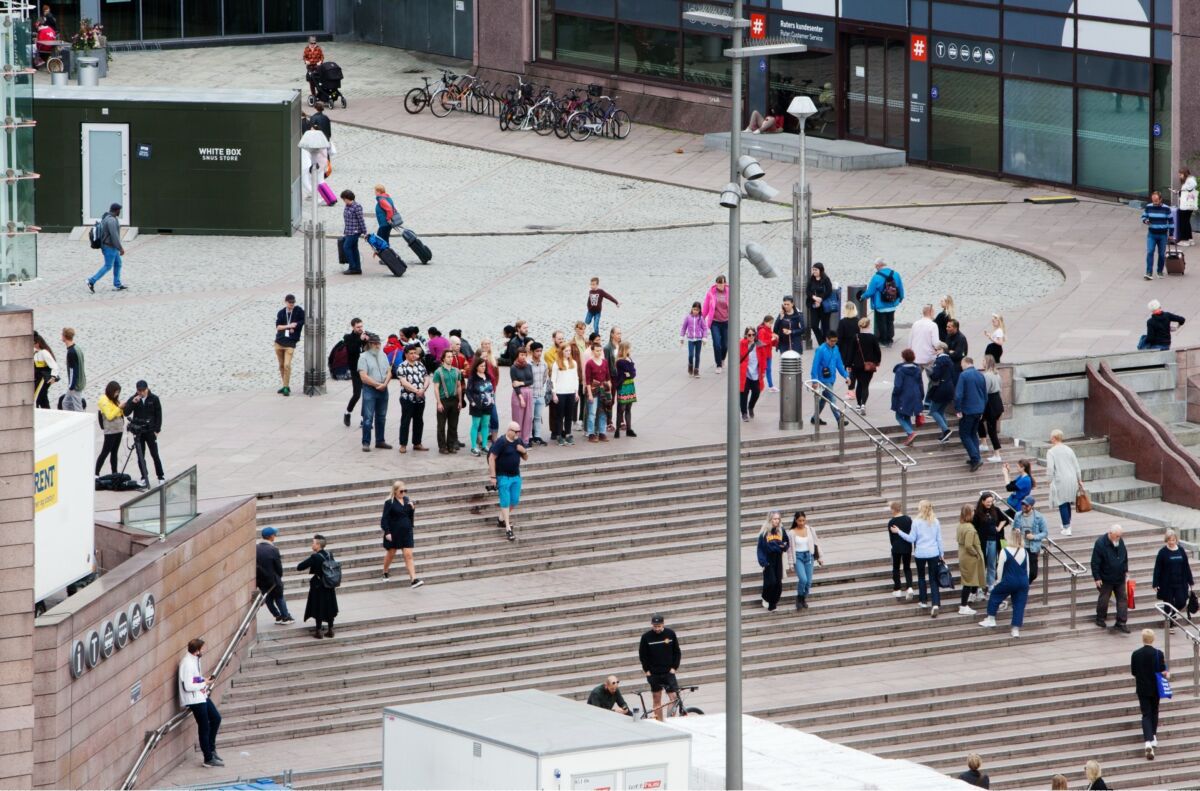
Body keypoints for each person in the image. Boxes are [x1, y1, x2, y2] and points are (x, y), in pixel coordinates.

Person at [892, 500, 943, 616]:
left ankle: (923, 601)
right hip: (933, 552)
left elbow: (911, 539)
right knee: (933, 579)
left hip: (920, 553)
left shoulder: (916, 522)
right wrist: (942, 554)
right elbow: (939, 539)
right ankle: (935, 603)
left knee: (921, 577)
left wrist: (899, 531)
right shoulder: (935, 521)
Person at [979, 528, 1031, 637]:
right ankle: (1015, 629)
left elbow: (1000, 569)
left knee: (995, 595)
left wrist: (998, 581)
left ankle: (991, 618)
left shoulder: (1005, 550)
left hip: (1009, 580)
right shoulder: (1025, 551)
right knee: (1019, 605)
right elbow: (1028, 569)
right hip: (1023, 581)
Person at [179, 638, 222, 768]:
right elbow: (187, 686)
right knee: (204, 728)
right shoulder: (187, 663)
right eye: (202, 648)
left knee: (216, 718)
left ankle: (212, 750)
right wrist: (204, 683)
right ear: (196, 651)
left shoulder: (194, 660)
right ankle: (208, 758)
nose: (203, 650)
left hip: (201, 696)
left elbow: (193, 678)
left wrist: (203, 679)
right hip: (194, 699)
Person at [1131, 628, 1168, 759]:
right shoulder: (1159, 653)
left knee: (1146, 714)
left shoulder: (1135, 654)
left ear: (1143, 639)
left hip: (1142, 689)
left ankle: (1148, 741)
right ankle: (1152, 737)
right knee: (1154, 711)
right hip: (1155, 688)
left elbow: (1134, 672)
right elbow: (1163, 671)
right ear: (1153, 639)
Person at [638, 613, 681, 722]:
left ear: (663, 624)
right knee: (657, 699)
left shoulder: (670, 634)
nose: (656, 628)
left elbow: (677, 652)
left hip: (668, 672)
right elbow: (643, 655)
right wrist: (647, 671)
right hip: (654, 673)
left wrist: (674, 668)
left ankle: (670, 720)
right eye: (655, 626)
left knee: (673, 698)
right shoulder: (646, 637)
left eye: (659, 626)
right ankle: (660, 722)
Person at [489, 421, 528, 540]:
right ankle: (508, 528)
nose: (518, 434)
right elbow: (491, 458)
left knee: (514, 500)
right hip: (503, 476)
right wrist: (493, 477)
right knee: (505, 501)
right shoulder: (501, 442)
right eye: (516, 432)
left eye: (519, 431)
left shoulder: (518, 441)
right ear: (509, 430)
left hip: (516, 476)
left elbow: (525, 458)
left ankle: (501, 519)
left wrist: (524, 451)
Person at [380, 480, 423, 587]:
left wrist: (412, 509)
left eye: (405, 491)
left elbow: (409, 516)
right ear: (395, 491)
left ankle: (413, 579)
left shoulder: (407, 500)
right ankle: (385, 571)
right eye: (401, 491)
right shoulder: (389, 503)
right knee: (391, 554)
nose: (403, 493)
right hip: (394, 533)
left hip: (406, 532)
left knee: (408, 555)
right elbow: (384, 520)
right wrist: (387, 532)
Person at [123, 380, 164, 488]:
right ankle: (144, 477)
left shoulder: (154, 399)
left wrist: (157, 430)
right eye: (139, 391)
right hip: (139, 432)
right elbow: (126, 412)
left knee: (155, 454)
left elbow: (158, 415)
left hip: (150, 431)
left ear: (147, 389)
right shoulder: (134, 398)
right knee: (140, 456)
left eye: (143, 391)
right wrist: (133, 402)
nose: (141, 393)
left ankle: (161, 476)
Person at [298, 534, 338, 638]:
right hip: (329, 584)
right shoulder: (330, 554)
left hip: (318, 585)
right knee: (329, 605)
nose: (312, 545)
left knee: (318, 606)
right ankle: (330, 629)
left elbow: (300, 567)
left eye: (313, 543)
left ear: (318, 545)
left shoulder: (315, 557)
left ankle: (319, 631)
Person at [1092, 525, 1130, 633]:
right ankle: (1100, 618)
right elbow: (1095, 562)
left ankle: (1121, 622)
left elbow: (1124, 556)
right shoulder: (1100, 543)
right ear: (1110, 533)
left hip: (1119, 577)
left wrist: (1126, 570)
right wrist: (1097, 577)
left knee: (1122, 599)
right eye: (1117, 536)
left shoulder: (1120, 541)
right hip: (1106, 577)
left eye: (1120, 536)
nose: (1118, 538)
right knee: (1104, 599)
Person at [358, 333, 392, 451]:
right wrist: (377, 385)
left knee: (381, 416)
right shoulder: (363, 357)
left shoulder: (383, 355)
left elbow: (389, 371)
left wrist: (385, 383)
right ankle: (366, 442)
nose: (378, 346)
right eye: (376, 344)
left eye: (379, 343)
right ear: (371, 344)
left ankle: (380, 440)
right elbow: (363, 376)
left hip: (383, 388)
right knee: (368, 417)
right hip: (370, 389)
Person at [1152, 528, 1194, 626]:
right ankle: (1169, 624)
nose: (1171, 542)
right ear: (1166, 540)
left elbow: (1186, 566)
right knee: (1168, 603)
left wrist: (1190, 581)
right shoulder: (1162, 552)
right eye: (1169, 540)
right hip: (1167, 583)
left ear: (1176, 540)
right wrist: (1155, 583)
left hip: (1180, 582)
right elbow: (1157, 568)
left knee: (1182, 601)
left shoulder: (1181, 550)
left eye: (1173, 540)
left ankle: (1172, 615)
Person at [1045, 430, 1083, 536]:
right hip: (1072, 479)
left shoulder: (1051, 452)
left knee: (1062, 502)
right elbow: (1077, 466)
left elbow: (1050, 468)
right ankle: (1066, 523)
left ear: (1054, 438)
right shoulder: (1069, 450)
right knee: (1067, 502)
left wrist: (1048, 479)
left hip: (1060, 479)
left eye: (1051, 437)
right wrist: (1079, 480)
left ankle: (1067, 527)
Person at [395, 343, 431, 453]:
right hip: (408, 397)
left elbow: (426, 377)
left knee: (419, 420)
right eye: (411, 353)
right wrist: (416, 390)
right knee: (405, 420)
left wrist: (423, 389)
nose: (413, 355)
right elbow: (404, 382)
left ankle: (417, 442)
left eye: (415, 353)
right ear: (406, 354)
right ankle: (403, 444)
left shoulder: (420, 365)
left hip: (420, 397)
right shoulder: (402, 366)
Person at [861, 257, 904, 347]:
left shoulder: (876, 277)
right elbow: (900, 287)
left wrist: (862, 296)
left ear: (879, 265)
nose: (875, 267)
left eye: (876, 266)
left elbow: (870, 291)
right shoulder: (896, 274)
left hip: (881, 305)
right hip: (892, 303)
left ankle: (884, 341)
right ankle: (890, 339)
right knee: (890, 321)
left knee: (882, 322)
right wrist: (900, 298)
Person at [973, 492, 1011, 592]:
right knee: (982, 564)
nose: (990, 503)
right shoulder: (977, 513)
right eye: (987, 502)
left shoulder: (996, 510)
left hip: (994, 541)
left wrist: (999, 528)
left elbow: (1005, 519)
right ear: (982, 501)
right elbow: (974, 527)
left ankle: (991, 584)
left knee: (992, 564)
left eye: (991, 501)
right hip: (982, 541)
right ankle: (980, 586)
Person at [86, 203, 127, 293]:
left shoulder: (107, 217)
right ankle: (91, 281)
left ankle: (117, 284)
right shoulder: (111, 220)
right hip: (109, 247)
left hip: (112, 247)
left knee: (118, 264)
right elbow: (114, 236)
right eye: (119, 210)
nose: (120, 212)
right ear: (116, 210)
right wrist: (120, 248)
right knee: (108, 266)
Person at [256, 527, 293, 624]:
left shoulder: (256, 548)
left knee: (268, 598)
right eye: (274, 534)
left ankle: (277, 615)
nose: (275, 536)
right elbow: (278, 567)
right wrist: (279, 577)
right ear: (271, 536)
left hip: (261, 579)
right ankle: (286, 617)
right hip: (274, 579)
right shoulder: (273, 549)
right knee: (279, 597)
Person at [955, 357, 987, 472]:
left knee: (964, 434)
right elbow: (985, 395)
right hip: (978, 410)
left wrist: (958, 409)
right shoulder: (980, 375)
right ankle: (976, 458)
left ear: (965, 363)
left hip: (967, 410)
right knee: (973, 434)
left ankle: (975, 458)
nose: (961, 366)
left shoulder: (964, 375)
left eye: (961, 364)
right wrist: (982, 409)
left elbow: (958, 395)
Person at [810, 331, 847, 425]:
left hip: (832, 378)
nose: (833, 343)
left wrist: (846, 375)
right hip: (823, 379)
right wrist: (814, 380)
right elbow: (815, 365)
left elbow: (839, 363)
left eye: (835, 341)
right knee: (832, 399)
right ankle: (839, 419)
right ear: (827, 339)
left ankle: (815, 418)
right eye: (831, 341)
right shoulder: (820, 350)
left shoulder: (836, 349)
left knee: (823, 399)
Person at [788, 510, 822, 610]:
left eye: (803, 520)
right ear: (795, 520)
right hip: (798, 557)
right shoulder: (791, 533)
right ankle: (799, 597)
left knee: (809, 582)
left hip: (809, 556)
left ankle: (803, 598)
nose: (801, 523)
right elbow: (789, 550)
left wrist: (820, 558)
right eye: (799, 521)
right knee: (803, 579)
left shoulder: (810, 529)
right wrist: (790, 563)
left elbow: (816, 543)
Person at [757, 511, 789, 611]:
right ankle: (766, 597)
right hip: (768, 559)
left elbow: (786, 542)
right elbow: (761, 548)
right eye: (775, 519)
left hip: (778, 559)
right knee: (771, 582)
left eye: (778, 519)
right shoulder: (765, 532)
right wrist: (763, 562)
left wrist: (784, 546)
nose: (777, 521)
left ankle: (773, 602)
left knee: (778, 583)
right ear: (770, 519)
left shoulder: (781, 530)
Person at [891, 348, 924, 446]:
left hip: (904, 396)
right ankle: (910, 439)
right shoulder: (917, 369)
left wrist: (895, 396)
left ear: (903, 358)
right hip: (915, 395)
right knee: (907, 416)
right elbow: (920, 384)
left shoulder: (900, 370)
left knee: (899, 416)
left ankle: (910, 433)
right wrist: (921, 396)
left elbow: (898, 386)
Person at [432, 349, 462, 454]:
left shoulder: (456, 371)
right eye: (448, 356)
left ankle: (451, 445)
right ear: (443, 358)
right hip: (443, 400)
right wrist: (439, 403)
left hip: (454, 400)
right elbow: (436, 388)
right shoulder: (438, 372)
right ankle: (442, 446)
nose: (450, 358)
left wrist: (460, 401)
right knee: (441, 425)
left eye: (451, 356)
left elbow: (459, 386)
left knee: (453, 425)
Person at [274, 294, 304, 397]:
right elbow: (278, 327)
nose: (292, 304)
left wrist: (296, 325)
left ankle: (286, 387)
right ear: (286, 302)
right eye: (290, 303)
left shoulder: (298, 310)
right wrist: (288, 326)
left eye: (293, 302)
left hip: (290, 343)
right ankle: (285, 385)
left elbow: (303, 320)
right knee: (281, 366)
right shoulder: (281, 313)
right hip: (279, 342)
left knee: (287, 365)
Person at [956, 504, 985, 615]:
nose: (974, 513)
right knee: (968, 582)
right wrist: (976, 554)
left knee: (968, 581)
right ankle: (963, 606)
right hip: (969, 558)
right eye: (972, 512)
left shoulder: (961, 525)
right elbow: (969, 545)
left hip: (963, 556)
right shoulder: (969, 528)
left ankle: (966, 602)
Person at [1013, 495, 1047, 585]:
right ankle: (1022, 588)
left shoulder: (1039, 517)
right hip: (1021, 546)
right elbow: (1013, 529)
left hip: (1033, 547)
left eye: (1026, 505)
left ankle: (1024, 586)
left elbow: (1045, 533)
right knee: (1021, 570)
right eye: (1022, 504)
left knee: (1033, 573)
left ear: (1031, 506)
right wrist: (1016, 531)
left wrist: (1034, 537)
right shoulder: (1018, 515)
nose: (1024, 506)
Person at [849, 317, 880, 413]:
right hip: (868, 365)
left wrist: (849, 364)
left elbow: (851, 352)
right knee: (865, 385)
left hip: (856, 365)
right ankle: (863, 404)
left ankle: (858, 405)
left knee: (859, 385)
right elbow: (877, 352)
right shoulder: (873, 337)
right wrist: (877, 362)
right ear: (869, 325)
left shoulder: (856, 337)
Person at [926, 342, 956, 442]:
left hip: (941, 389)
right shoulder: (950, 360)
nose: (936, 351)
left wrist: (930, 372)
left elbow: (935, 376)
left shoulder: (939, 361)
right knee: (941, 411)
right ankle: (945, 435)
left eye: (937, 349)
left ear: (942, 349)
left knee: (933, 411)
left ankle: (946, 430)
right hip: (950, 388)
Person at [550, 343, 578, 446]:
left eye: (569, 351)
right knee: (559, 415)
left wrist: (576, 392)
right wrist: (554, 394)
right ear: (561, 352)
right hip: (560, 393)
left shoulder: (573, 363)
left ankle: (568, 433)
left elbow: (576, 378)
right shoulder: (556, 364)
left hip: (570, 392)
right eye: (566, 351)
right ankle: (559, 435)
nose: (568, 353)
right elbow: (553, 380)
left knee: (569, 415)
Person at [466, 359, 496, 456]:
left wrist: (492, 399)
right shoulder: (473, 378)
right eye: (481, 366)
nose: (483, 368)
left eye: (484, 366)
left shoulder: (487, 376)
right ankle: (474, 447)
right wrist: (472, 402)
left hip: (488, 405)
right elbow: (468, 391)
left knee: (485, 424)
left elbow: (492, 388)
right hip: (477, 405)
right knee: (475, 425)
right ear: (476, 367)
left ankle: (484, 445)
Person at [1142, 190, 1174, 280]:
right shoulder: (1149, 207)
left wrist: (1171, 234)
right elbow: (1144, 216)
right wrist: (1146, 221)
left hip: (1162, 235)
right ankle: (1149, 272)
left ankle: (1160, 271)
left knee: (1161, 254)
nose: (1154, 202)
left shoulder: (1166, 208)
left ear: (1160, 199)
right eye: (1153, 200)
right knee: (1150, 252)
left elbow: (1171, 221)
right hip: (1152, 234)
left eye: (1156, 201)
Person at [341, 318, 367, 426]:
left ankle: (364, 419)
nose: (360, 329)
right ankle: (348, 412)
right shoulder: (348, 337)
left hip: (366, 369)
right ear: (353, 327)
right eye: (358, 327)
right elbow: (352, 350)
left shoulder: (365, 336)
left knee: (367, 395)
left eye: (361, 326)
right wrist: (360, 340)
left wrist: (368, 340)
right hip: (355, 369)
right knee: (357, 394)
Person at [95, 382, 124, 477]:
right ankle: (96, 473)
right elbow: (109, 416)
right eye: (116, 392)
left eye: (118, 393)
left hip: (118, 429)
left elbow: (120, 413)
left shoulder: (114, 400)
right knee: (105, 451)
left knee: (114, 452)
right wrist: (119, 408)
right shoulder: (104, 401)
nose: (117, 395)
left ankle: (114, 473)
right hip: (110, 431)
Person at [978, 355, 1004, 462]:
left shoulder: (987, 375)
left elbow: (985, 392)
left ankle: (997, 454)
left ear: (987, 362)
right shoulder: (997, 374)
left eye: (983, 360)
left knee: (991, 429)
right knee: (980, 421)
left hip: (990, 403)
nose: (982, 362)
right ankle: (984, 443)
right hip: (997, 401)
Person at [702, 275, 731, 372]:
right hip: (715, 322)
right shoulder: (711, 293)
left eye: (721, 283)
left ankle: (722, 359)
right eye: (718, 283)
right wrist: (701, 318)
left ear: (725, 283)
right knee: (717, 343)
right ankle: (718, 365)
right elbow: (706, 306)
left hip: (726, 321)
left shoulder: (729, 292)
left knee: (725, 345)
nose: (720, 285)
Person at [584, 341, 611, 441]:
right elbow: (587, 380)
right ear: (592, 351)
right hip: (594, 390)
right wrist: (589, 394)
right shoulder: (589, 363)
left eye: (600, 350)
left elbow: (608, 377)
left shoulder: (604, 362)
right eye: (597, 351)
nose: (599, 352)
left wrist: (609, 390)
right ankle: (591, 433)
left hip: (603, 390)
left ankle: (602, 432)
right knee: (592, 413)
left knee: (603, 412)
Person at [887, 501, 914, 600]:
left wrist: (894, 545)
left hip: (896, 548)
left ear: (894, 510)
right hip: (907, 547)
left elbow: (891, 538)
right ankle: (909, 587)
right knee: (907, 568)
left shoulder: (891, 522)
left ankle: (897, 589)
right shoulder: (908, 519)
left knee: (896, 568)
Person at [738, 326, 765, 421]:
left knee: (757, 392)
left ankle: (751, 406)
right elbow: (737, 356)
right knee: (743, 393)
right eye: (749, 335)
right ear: (746, 335)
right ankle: (744, 413)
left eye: (753, 334)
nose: (751, 336)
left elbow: (763, 358)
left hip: (756, 373)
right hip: (744, 373)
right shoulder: (742, 344)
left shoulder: (759, 344)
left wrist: (763, 370)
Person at [509, 346, 535, 446]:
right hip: (518, 393)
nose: (523, 357)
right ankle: (517, 440)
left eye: (525, 355)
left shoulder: (528, 366)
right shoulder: (513, 367)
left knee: (528, 417)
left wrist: (520, 383)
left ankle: (525, 440)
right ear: (517, 355)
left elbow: (531, 381)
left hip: (528, 391)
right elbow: (514, 384)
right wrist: (520, 398)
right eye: (521, 355)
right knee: (518, 417)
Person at [613, 341, 637, 439]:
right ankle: (617, 430)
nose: (630, 350)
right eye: (629, 348)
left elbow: (633, 373)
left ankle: (629, 429)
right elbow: (628, 371)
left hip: (630, 385)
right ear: (624, 349)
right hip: (623, 386)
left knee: (628, 408)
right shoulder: (620, 361)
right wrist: (630, 372)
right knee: (621, 409)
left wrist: (630, 373)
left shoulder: (629, 359)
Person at [806, 263, 833, 347]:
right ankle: (821, 343)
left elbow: (829, 291)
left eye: (816, 270)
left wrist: (820, 299)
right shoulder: (812, 279)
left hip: (824, 307)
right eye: (813, 269)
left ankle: (827, 344)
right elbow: (807, 291)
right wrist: (814, 297)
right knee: (814, 325)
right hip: (814, 306)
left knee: (825, 327)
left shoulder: (826, 279)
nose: (814, 271)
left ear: (820, 270)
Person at [59, 327, 86, 412]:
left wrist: (71, 386)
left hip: (75, 385)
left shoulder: (71, 352)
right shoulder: (77, 348)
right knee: (66, 403)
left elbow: (72, 371)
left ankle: (80, 422)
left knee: (77, 407)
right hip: (80, 382)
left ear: (64, 336)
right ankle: (71, 419)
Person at [773, 295, 805, 362]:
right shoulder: (782, 314)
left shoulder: (798, 315)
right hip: (784, 343)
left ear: (792, 304)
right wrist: (780, 318)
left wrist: (791, 332)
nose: (786, 306)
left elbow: (803, 330)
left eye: (788, 304)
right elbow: (775, 330)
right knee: (785, 362)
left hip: (795, 343)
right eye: (784, 304)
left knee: (795, 362)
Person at [340, 190, 365, 275]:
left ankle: (353, 267)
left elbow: (361, 220)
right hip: (348, 231)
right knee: (354, 249)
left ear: (347, 198)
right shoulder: (347, 206)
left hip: (355, 231)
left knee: (346, 247)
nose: (343, 201)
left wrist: (364, 231)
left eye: (344, 199)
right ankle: (357, 268)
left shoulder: (356, 206)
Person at [681, 301, 707, 377]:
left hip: (699, 339)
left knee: (697, 355)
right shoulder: (688, 318)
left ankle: (696, 370)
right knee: (691, 355)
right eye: (694, 309)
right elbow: (683, 328)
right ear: (692, 309)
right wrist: (681, 337)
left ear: (699, 310)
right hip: (691, 339)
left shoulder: (701, 318)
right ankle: (690, 365)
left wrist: (704, 337)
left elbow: (705, 328)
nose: (695, 311)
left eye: (697, 310)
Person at [32, 332, 58, 409]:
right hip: (37, 377)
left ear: (37, 343)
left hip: (43, 378)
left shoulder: (44, 353)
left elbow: (54, 366)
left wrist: (53, 377)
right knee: (42, 397)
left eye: (33, 343)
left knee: (38, 395)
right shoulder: (35, 352)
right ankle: (44, 410)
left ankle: (40, 409)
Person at [757, 315, 779, 392]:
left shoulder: (768, 329)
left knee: (767, 370)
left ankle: (770, 385)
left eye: (771, 323)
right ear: (765, 322)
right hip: (763, 354)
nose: (771, 325)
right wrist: (772, 339)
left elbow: (769, 337)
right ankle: (760, 385)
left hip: (768, 353)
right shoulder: (762, 330)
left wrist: (774, 337)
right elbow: (761, 343)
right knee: (763, 370)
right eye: (770, 323)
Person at [835, 302, 859, 370]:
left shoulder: (842, 322)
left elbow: (839, 337)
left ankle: (849, 379)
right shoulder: (858, 321)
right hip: (856, 347)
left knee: (847, 367)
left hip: (845, 348)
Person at [1178, 167, 1197, 246]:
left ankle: (1184, 240)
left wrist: (1182, 190)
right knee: (1186, 222)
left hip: (1185, 206)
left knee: (1183, 222)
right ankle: (1190, 239)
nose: (1179, 176)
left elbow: (1190, 188)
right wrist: (1179, 191)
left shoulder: (1190, 181)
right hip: (1189, 204)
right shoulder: (1189, 181)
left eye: (1180, 174)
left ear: (1184, 173)